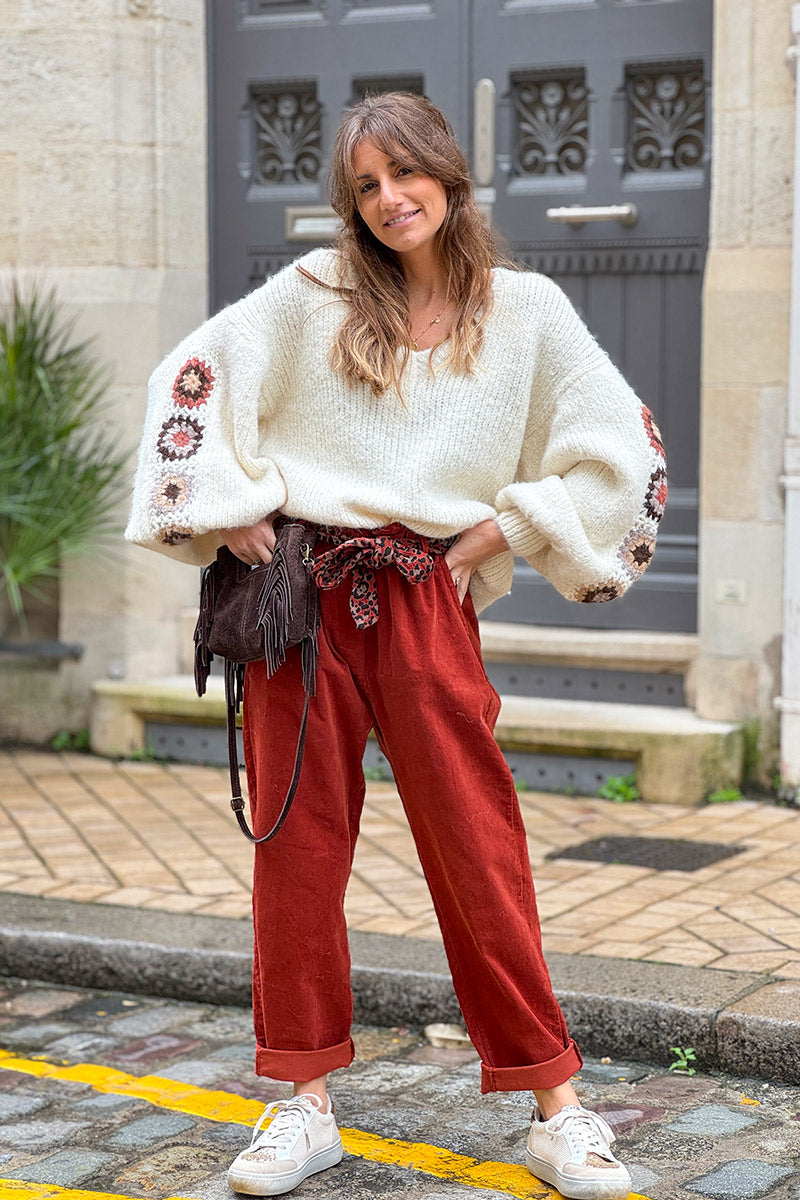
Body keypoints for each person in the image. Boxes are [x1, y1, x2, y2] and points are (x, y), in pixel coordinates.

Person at [127, 91, 666, 1200]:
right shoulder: (311, 295)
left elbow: (622, 446)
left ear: (447, 175)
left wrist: (500, 529)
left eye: (403, 175)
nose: (387, 202)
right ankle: (302, 1102)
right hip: (306, 601)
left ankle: (554, 1105)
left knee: (477, 848)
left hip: (426, 596)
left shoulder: (524, 310)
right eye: (364, 186)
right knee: (298, 850)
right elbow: (189, 383)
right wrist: (231, 509)